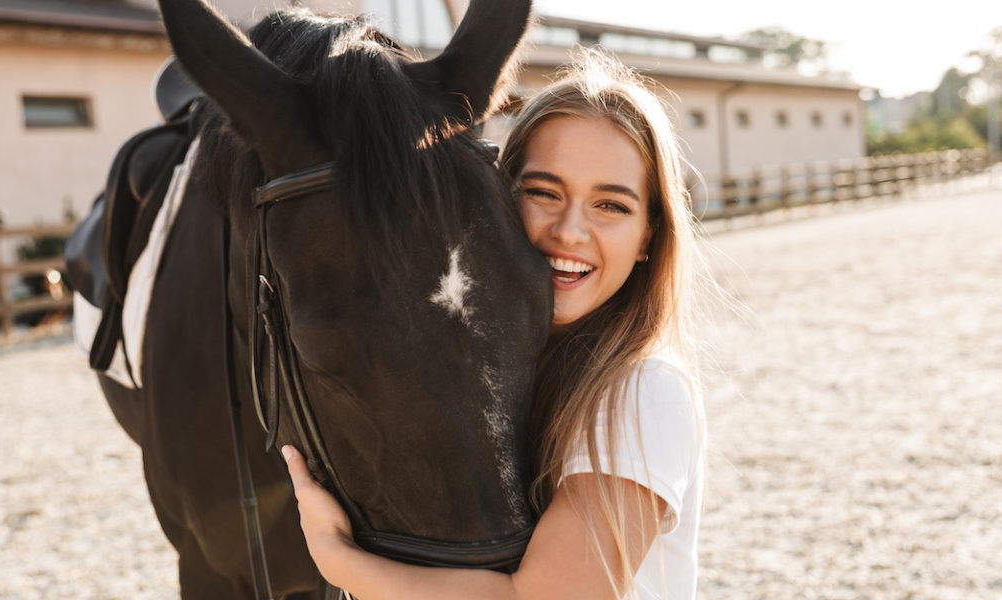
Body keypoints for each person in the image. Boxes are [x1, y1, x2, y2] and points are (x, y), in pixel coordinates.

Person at [283, 50, 707, 600]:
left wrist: (339, 560)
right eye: (542, 193)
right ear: (498, 200)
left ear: (649, 235)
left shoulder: (642, 391)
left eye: (611, 205)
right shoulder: (480, 378)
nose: (570, 231)